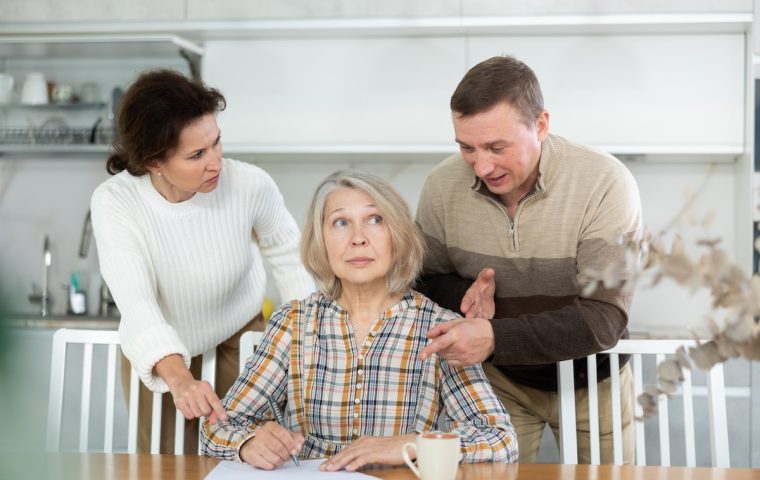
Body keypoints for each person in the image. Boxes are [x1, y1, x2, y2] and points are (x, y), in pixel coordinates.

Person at [201, 170, 518, 470]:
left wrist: (412, 445)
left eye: (375, 220)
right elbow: (217, 429)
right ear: (321, 242)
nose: (358, 238)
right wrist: (248, 442)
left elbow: (500, 438)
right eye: (340, 223)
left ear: (398, 235)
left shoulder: (442, 328)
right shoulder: (292, 322)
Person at [415, 56, 642, 464]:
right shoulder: (441, 187)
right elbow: (422, 282)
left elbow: (604, 317)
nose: (482, 166)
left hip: (594, 378)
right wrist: (464, 292)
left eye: (497, 147)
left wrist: (494, 336)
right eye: (467, 147)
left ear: (540, 125)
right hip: (498, 382)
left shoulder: (604, 183)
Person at [90, 69, 315, 454]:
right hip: (158, 351)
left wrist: (308, 337)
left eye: (216, 143)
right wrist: (178, 379)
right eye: (196, 155)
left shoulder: (249, 184)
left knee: (249, 458)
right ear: (154, 162)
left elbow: (290, 258)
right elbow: (137, 302)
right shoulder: (116, 202)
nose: (215, 163)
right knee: (161, 465)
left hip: (239, 337)